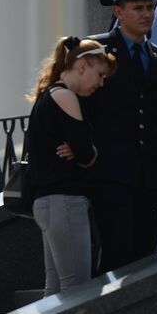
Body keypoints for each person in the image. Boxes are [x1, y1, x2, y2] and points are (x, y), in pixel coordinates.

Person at [81, 0, 157, 273]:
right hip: (109, 174)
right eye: (138, 8)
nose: (147, 14)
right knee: (114, 254)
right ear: (119, 12)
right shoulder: (96, 50)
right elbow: (79, 107)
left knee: (144, 256)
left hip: (148, 177)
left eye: (150, 7)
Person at [28, 37, 116, 295]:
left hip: (48, 203)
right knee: (76, 292)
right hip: (65, 201)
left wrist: (80, 149)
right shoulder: (66, 96)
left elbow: (79, 151)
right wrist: (87, 149)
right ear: (81, 66)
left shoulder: (48, 94)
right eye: (99, 74)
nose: (100, 84)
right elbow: (86, 155)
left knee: (55, 292)